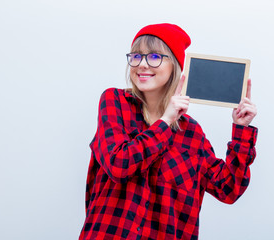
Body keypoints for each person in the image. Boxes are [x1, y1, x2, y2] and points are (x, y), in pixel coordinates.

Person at [79, 23, 258, 240]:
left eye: (154, 57)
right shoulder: (115, 102)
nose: (142, 65)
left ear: (174, 65)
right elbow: (119, 165)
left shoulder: (192, 133)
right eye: (136, 56)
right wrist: (165, 121)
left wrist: (241, 130)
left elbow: (229, 189)